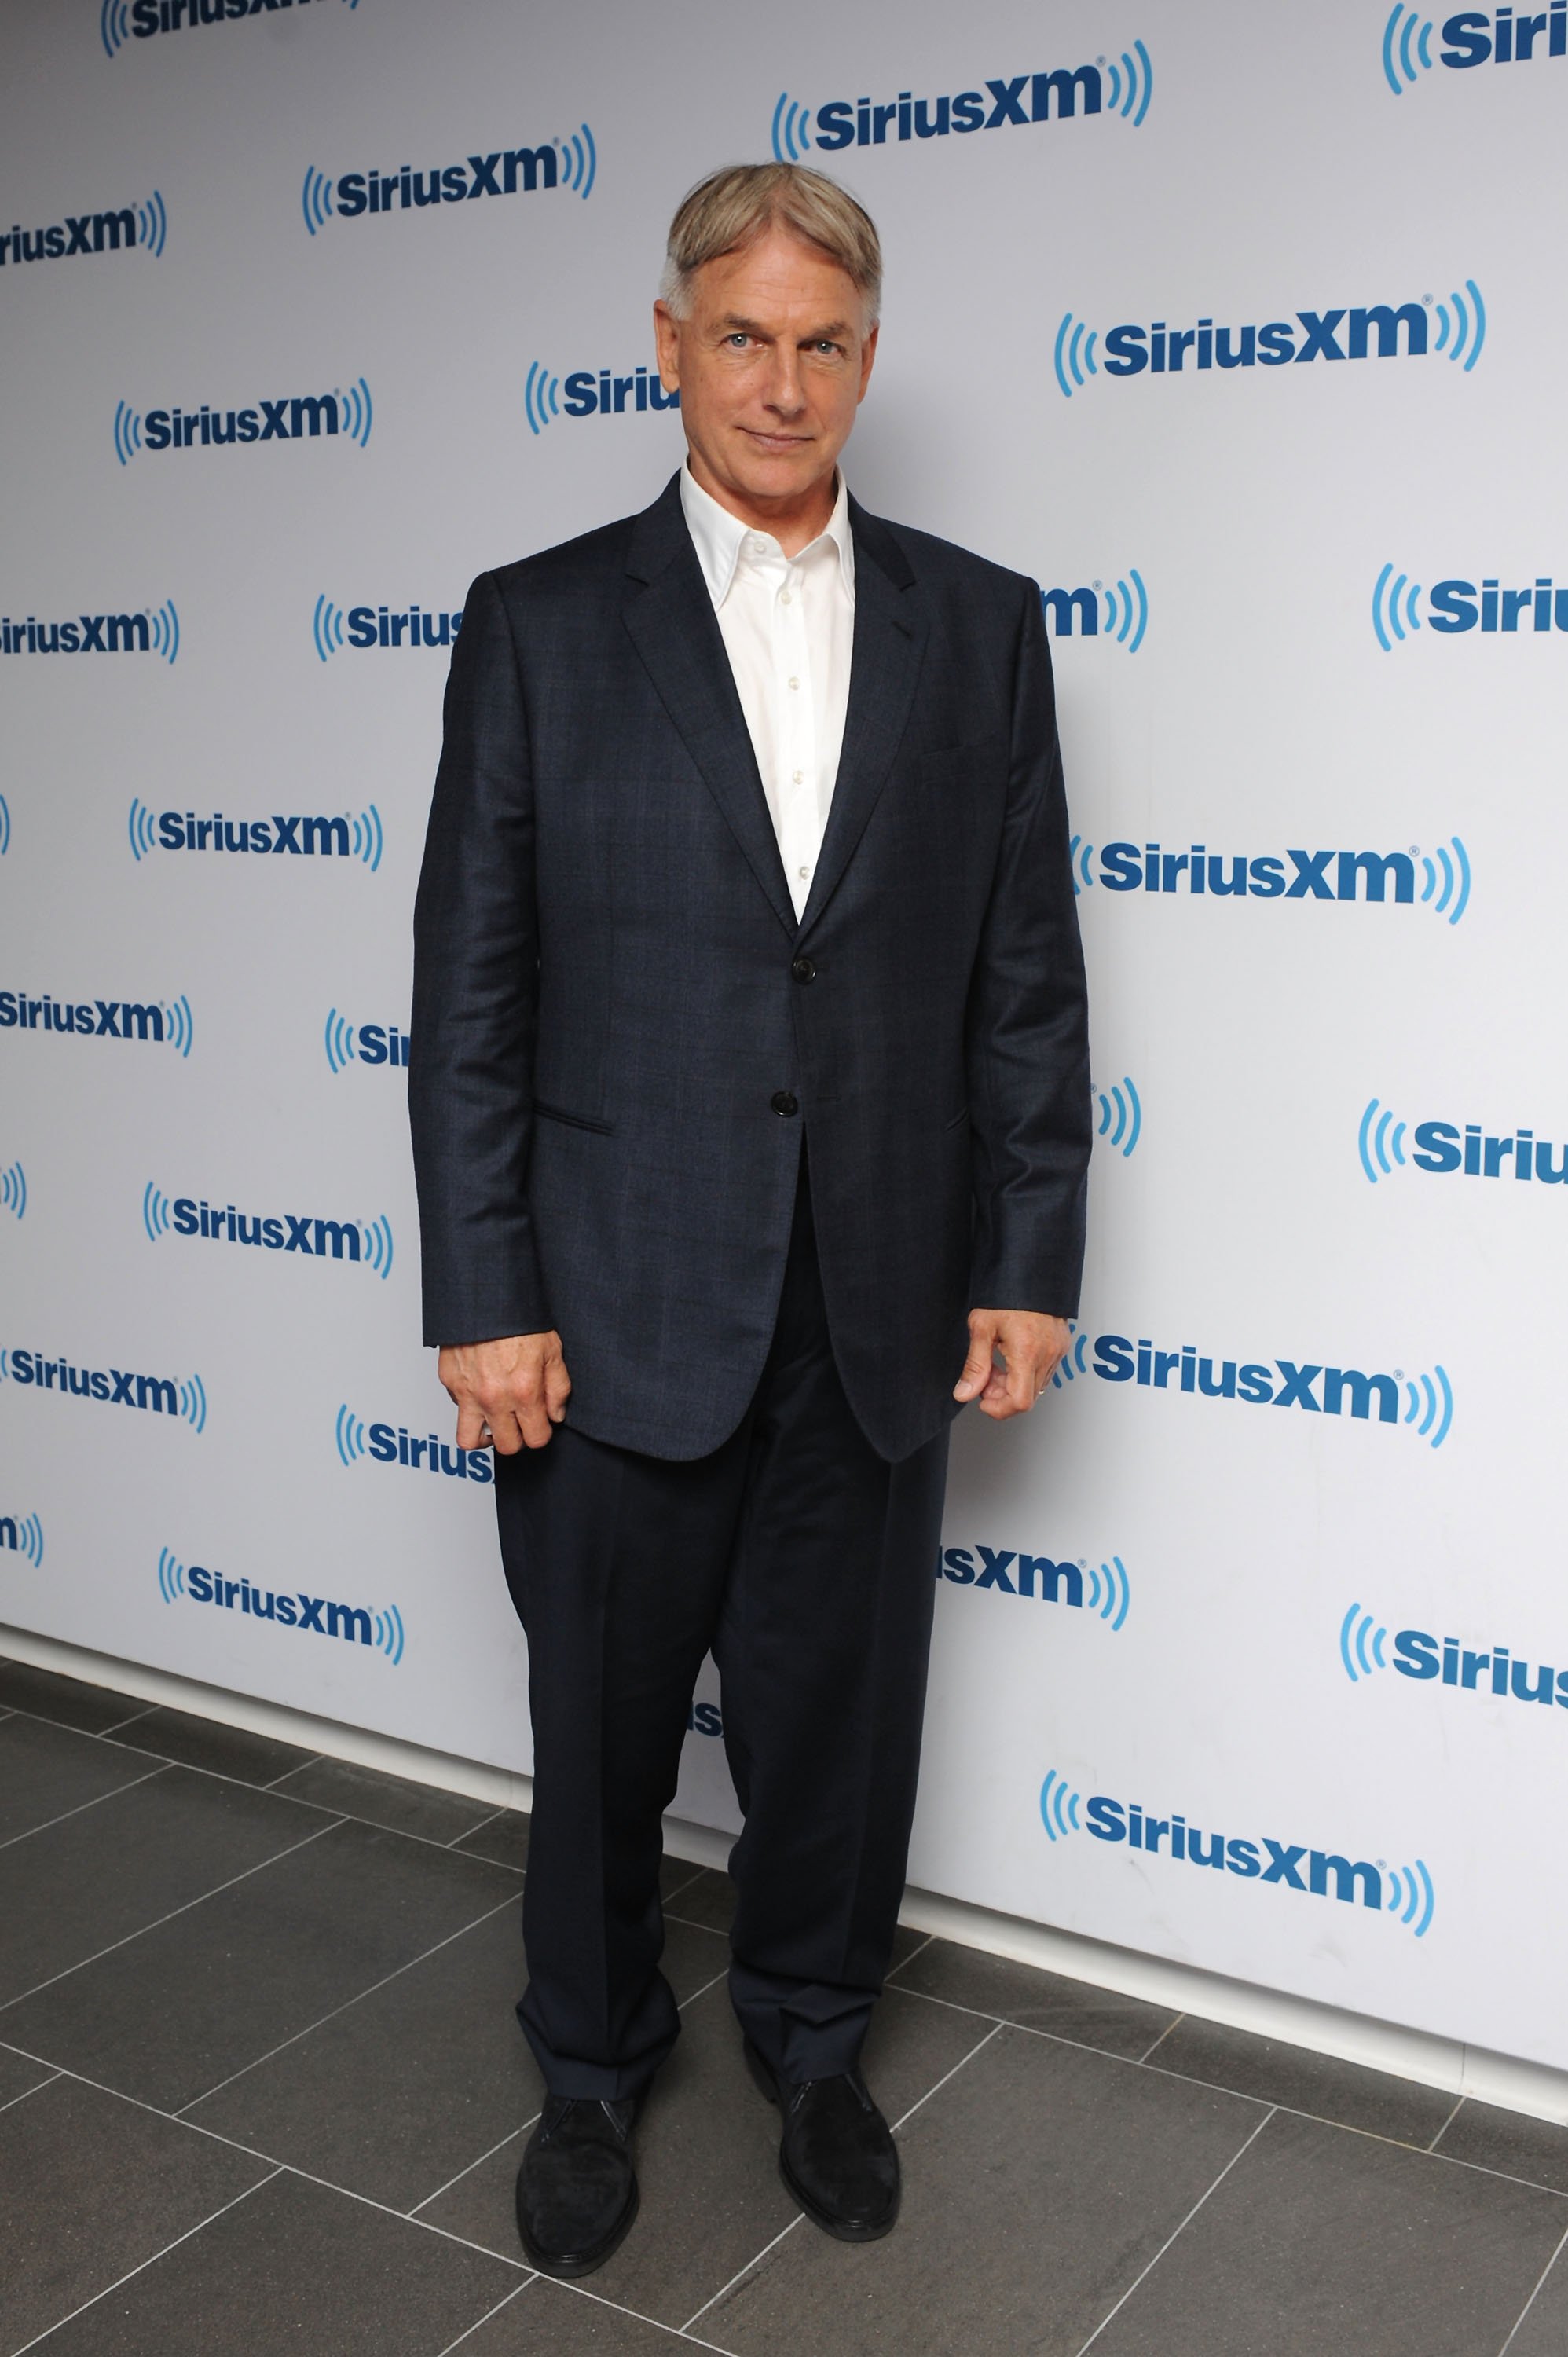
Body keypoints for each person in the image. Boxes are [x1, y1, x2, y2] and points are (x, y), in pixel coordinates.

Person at [408, 161, 1090, 2278]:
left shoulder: (978, 623)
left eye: (821, 343)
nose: (779, 383)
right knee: (598, 1736)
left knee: (833, 1725)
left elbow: (1022, 977)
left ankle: (811, 2041)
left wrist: (1023, 1253)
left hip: (874, 1304)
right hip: (609, 1310)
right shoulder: (536, 622)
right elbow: (469, 996)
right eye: (741, 337)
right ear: (669, 343)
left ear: (866, 360)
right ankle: (592, 2066)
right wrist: (484, 1291)